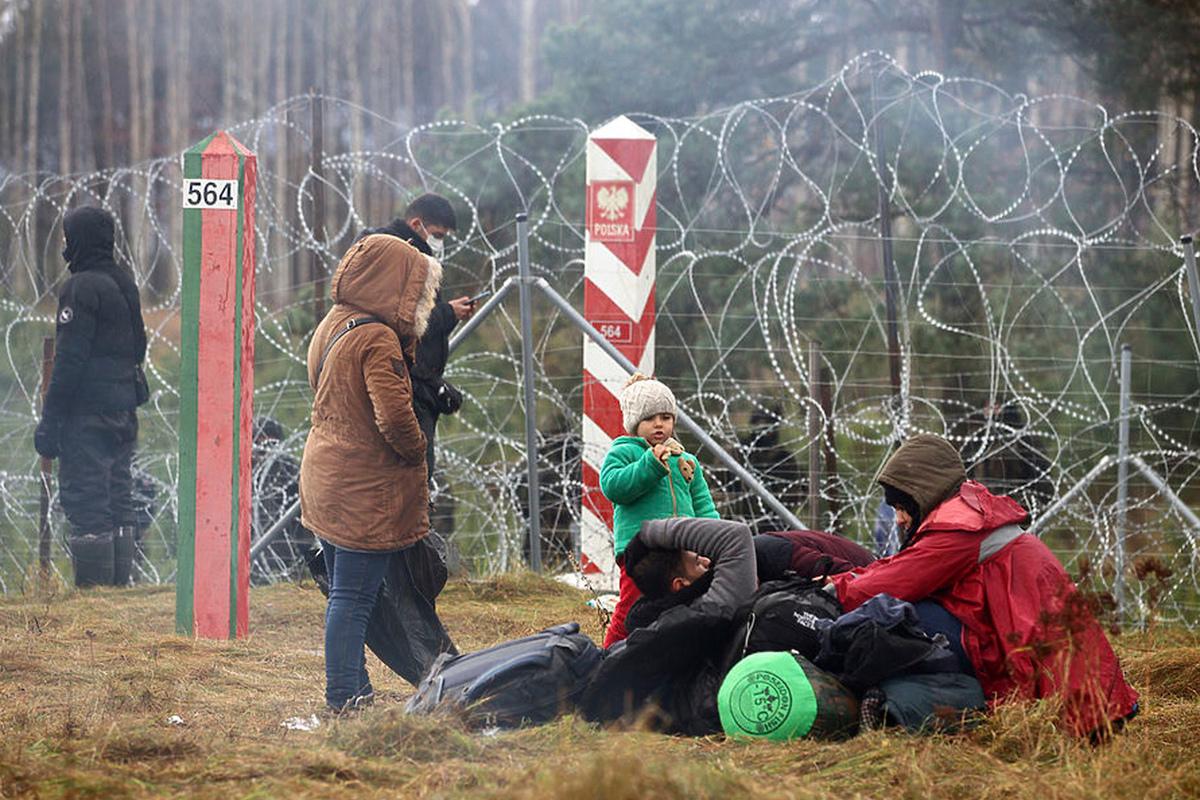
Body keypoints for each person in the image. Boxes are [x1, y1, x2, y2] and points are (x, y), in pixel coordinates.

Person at [826, 433, 1140, 738]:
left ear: (923, 493)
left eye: (901, 506)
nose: (898, 519)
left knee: (899, 616)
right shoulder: (968, 514)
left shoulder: (959, 530)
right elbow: (902, 565)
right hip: (1076, 683)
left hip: (1073, 698)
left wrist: (830, 593)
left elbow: (895, 582)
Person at [299, 233, 442, 714]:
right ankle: (343, 695)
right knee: (353, 597)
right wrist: (418, 451)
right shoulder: (378, 338)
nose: (421, 301)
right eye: (416, 289)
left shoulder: (336, 321)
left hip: (327, 474)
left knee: (345, 591)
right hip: (363, 487)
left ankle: (354, 687)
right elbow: (395, 418)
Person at [34, 206, 148, 588]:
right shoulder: (123, 283)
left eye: (68, 238)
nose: (65, 246)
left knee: (87, 502)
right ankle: (118, 594)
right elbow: (139, 345)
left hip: (87, 417)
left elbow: (69, 360)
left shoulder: (80, 288)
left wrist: (51, 421)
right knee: (118, 497)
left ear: (80, 240)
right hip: (123, 411)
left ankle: (96, 597)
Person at [358, 193, 476, 489]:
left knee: (412, 480)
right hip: (404, 384)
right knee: (411, 480)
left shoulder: (408, 255)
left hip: (414, 383)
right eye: (437, 235)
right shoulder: (399, 258)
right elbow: (404, 323)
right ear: (416, 224)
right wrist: (448, 313)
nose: (440, 243)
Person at [598, 373, 719, 647]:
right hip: (641, 550)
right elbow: (613, 486)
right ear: (634, 423)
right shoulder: (625, 452)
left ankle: (657, 651)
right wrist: (649, 465)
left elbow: (703, 504)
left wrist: (713, 539)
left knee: (677, 604)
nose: (659, 424)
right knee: (631, 606)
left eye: (666, 417)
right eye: (650, 418)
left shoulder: (685, 460)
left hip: (681, 548)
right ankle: (607, 654)